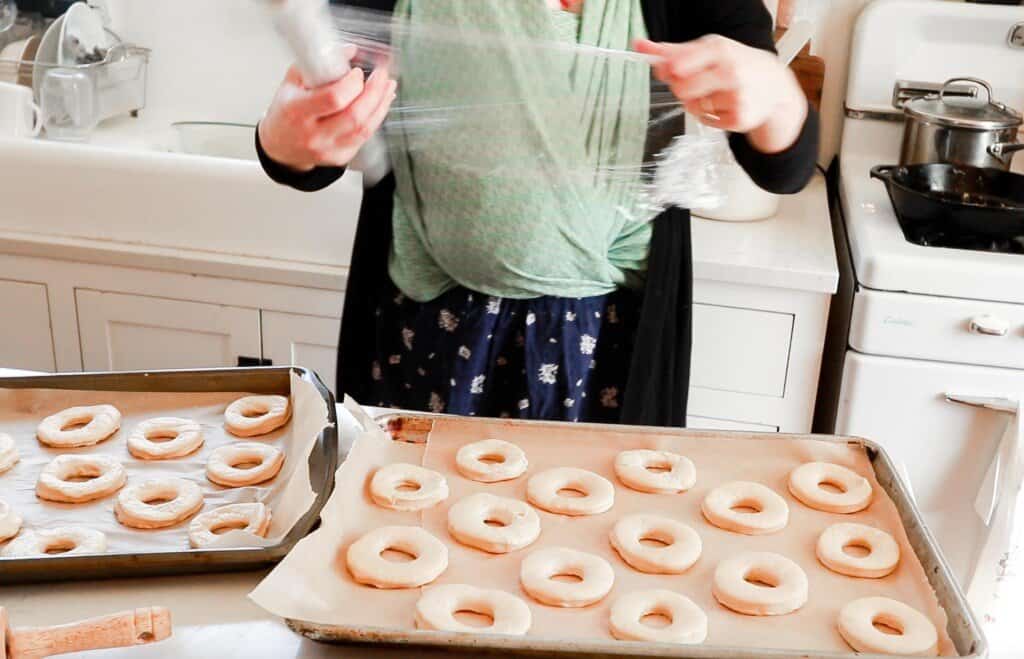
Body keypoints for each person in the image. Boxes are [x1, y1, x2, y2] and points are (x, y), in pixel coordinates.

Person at [256, 0, 819, 426]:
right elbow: (320, 118)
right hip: (426, 331)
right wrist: (287, 139)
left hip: (612, 343)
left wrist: (774, 94)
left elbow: (786, 167)